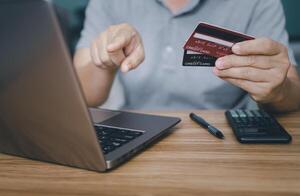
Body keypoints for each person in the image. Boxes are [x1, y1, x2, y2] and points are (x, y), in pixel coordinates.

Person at [74, 0, 300, 112]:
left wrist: (278, 91)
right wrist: (107, 58)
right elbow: (82, 96)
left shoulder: (259, 2)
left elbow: (293, 94)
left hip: (223, 142)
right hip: (135, 133)